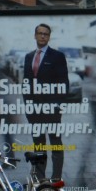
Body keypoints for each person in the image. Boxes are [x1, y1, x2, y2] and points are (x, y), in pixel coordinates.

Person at [23, 23, 69, 181]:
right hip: (34, 111)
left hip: (52, 109)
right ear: (35, 35)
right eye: (40, 33)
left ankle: (56, 179)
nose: (43, 36)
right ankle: (41, 179)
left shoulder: (57, 56)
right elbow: (26, 83)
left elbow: (64, 83)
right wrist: (27, 107)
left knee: (55, 143)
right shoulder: (29, 57)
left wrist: (57, 106)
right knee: (39, 145)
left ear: (49, 37)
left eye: (46, 34)